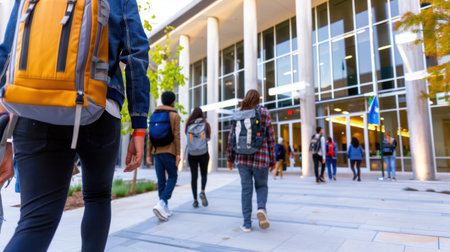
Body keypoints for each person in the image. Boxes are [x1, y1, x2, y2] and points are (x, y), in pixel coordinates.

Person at [0, 0, 150, 250]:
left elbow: (7, 53)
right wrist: (138, 126)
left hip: (33, 107)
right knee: (97, 197)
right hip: (99, 105)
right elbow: (136, 55)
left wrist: (2, 134)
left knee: (35, 220)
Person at [227, 89, 276, 232]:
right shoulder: (264, 113)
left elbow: (231, 137)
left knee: (246, 190)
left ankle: (247, 223)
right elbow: (271, 137)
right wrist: (272, 159)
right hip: (261, 158)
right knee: (261, 186)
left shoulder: (238, 113)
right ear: (258, 99)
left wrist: (230, 157)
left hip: (242, 159)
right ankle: (261, 209)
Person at [147, 91, 181, 222]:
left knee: (161, 180)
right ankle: (162, 203)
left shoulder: (154, 114)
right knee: (173, 176)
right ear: (173, 102)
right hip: (169, 151)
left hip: (156, 152)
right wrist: (178, 154)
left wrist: (148, 154)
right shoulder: (174, 115)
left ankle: (164, 208)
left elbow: (150, 136)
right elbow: (177, 136)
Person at [185, 107, 211, 208]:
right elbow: (208, 138)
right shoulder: (206, 124)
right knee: (204, 174)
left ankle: (195, 200)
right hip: (203, 153)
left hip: (192, 154)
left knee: (194, 177)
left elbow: (187, 138)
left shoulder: (188, 125)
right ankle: (203, 191)